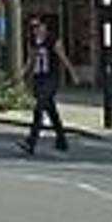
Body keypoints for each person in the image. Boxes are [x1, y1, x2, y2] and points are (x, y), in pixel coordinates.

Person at [19, 15, 73, 155]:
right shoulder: (32, 41)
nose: (34, 30)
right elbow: (30, 60)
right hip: (38, 78)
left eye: (37, 26)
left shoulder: (53, 40)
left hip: (51, 78)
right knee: (51, 110)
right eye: (32, 27)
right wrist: (22, 75)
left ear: (44, 27)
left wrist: (73, 74)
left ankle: (31, 141)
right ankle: (62, 140)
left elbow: (63, 58)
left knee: (39, 108)